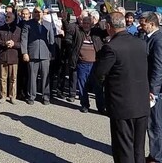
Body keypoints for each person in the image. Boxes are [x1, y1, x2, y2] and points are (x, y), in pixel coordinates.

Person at [93, 12, 149, 163]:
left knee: (124, 150)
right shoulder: (141, 43)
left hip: (122, 106)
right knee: (139, 149)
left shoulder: (111, 48)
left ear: (109, 27)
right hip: (142, 105)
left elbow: (99, 74)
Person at [61, 11, 105, 113]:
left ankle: (101, 107)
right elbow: (68, 29)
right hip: (82, 64)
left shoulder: (96, 32)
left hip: (95, 64)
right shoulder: (78, 31)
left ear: (92, 24)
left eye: (88, 23)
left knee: (98, 87)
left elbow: (107, 31)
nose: (86, 25)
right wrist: (64, 19)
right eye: (84, 23)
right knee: (82, 86)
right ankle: (85, 105)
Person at [21, 7, 54, 105]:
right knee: (32, 77)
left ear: (43, 13)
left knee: (45, 77)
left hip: (45, 55)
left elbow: (51, 40)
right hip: (32, 54)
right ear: (32, 13)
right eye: (35, 12)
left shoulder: (48, 24)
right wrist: (24, 53)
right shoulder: (28, 24)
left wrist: (52, 53)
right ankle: (31, 96)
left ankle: (46, 97)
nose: (37, 14)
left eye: (39, 12)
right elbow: (24, 39)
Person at [144, 13, 162, 163]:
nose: (141, 26)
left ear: (151, 23)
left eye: (144, 24)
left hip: (156, 91)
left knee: (155, 124)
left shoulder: (158, 40)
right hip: (154, 88)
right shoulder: (151, 37)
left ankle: (156, 157)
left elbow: (158, 67)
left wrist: (153, 91)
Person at [0, 11, 21, 104]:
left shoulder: (18, 30)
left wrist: (14, 44)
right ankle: (3, 95)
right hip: (3, 56)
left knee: (13, 78)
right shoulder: (0, 29)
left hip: (13, 57)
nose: (7, 19)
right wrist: (4, 43)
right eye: (6, 18)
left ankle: (13, 96)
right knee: (3, 78)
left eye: (9, 18)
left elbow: (22, 44)